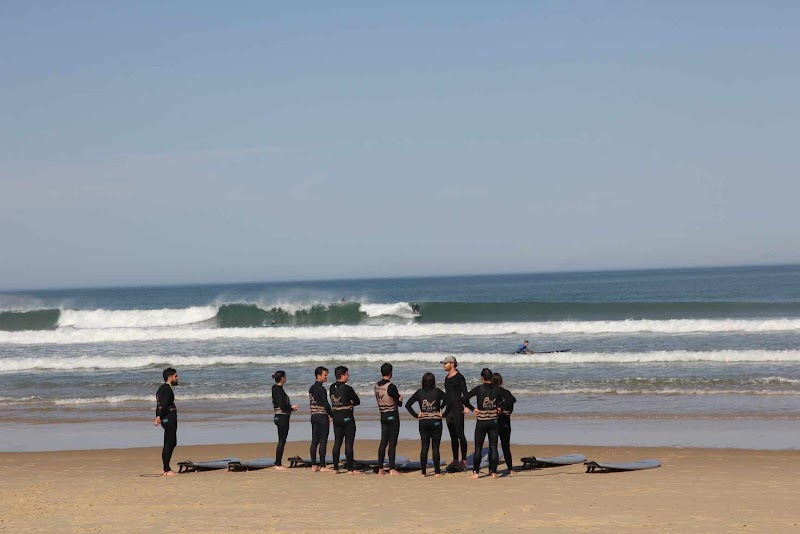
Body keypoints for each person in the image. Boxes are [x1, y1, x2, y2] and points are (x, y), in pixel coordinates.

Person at [462, 368, 516, 479]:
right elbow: (511, 399)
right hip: (494, 421)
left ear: (482, 378)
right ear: (491, 378)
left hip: (481, 422)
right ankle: (494, 473)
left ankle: (476, 473)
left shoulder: (479, 389)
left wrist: (473, 409)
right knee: (493, 447)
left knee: (478, 448)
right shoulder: (498, 389)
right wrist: (501, 408)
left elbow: (464, 399)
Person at [405, 372, 451, 477]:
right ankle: (437, 472)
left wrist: (416, 415)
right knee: (435, 447)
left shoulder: (419, 393)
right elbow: (450, 402)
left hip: (423, 422)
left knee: (424, 447)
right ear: (433, 382)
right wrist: (443, 414)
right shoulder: (438, 392)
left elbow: (408, 405)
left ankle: (424, 472)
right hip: (436, 422)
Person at [330, 366, 361, 474]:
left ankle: (335, 468)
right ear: (342, 375)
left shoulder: (331, 387)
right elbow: (357, 401)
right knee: (348, 443)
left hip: (336, 418)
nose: (348, 376)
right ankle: (350, 469)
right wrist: (350, 402)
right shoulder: (347, 388)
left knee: (337, 442)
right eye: (347, 374)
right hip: (347, 418)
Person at [374, 362, 403, 476]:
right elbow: (398, 403)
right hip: (392, 415)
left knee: (383, 442)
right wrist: (400, 398)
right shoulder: (391, 386)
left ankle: (381, 468)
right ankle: (392, 469)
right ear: (391, 373)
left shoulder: (376, 385)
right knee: (392, 443)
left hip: (383, 415)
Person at [441, 355, 469, 470]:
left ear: (452, 364)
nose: (444, 365)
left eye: (445, 363)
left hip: (458, 408)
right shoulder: (447, 378)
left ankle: (464, 460)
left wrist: (467, 406)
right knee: (453, 436)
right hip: (449, 409)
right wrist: (441, 407)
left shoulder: (459, 377)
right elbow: (446, 395)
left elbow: (465, 392)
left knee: (460, 434)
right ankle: (455, 459)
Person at [154, 367, 179, 477]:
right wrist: (159, 416)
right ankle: (167, 470)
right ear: (170, 377)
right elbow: (163, 404)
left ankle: (166, 469)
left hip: (166, 418)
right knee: (170, 443)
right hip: (169, 417)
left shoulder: (160, 389)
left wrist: (158, 416)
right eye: (175, 376)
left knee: (170, 443)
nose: (177, 378)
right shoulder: (167, 389)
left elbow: (158, 405)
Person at [272, 370, 299, 470]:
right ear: (282, 378)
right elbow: (282, 406)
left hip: (280, 416)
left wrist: (290, 408)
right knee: (282, 440)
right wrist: (292, 407)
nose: (286, 378)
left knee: (281, 440)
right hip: (281, 417)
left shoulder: (277, 389)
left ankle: (277, 462)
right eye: (285, 376)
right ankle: (278, 464)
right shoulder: (278, 390)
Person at [309, 366, 334, 472]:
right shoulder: (321, 389)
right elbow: (325, 403)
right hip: (322, 416)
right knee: (323, 441)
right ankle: (323, 465)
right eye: (325, 375)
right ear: (319, 375)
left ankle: (314, 465)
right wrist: (332, 415)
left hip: (314, 416)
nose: (326, 376)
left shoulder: (312, 388)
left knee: (314, 441)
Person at [492, 372, 517, 476]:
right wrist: (503, 408)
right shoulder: (505, 392)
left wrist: (499, 408)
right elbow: (512, 400)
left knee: (493, 446)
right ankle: (510, 469)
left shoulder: (490, 393)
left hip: (493, 420)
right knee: (505, 446)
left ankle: (492, 470)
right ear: (501, 381)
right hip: (505, 420)